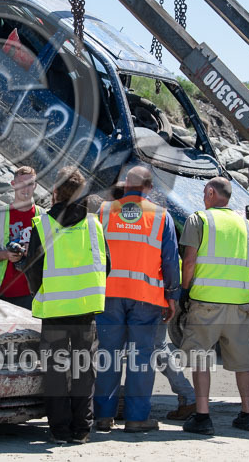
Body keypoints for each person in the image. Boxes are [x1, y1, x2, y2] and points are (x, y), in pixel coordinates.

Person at [23, 167, 110, 444]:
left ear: (56, 192)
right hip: (86, 311)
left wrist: (42, 291)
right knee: (84, 369)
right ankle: (82, 430)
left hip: (55, 311)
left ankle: (60, 430)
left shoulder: (42, 225)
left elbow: (32, 272)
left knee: (56, 372)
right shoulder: (94, 225)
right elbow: (106, 266)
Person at [93, 166, 180, 433]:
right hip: (146, 297)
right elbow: (169, 261)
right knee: (141, 358)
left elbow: (93, 251)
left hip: (109, 294)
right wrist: (172, 296)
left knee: (108, 355)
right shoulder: (161, 216)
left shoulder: (104, 211)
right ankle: (135, 418)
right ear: (149, 188)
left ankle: (103, 417)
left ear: (125, 184)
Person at [179, 176, 249, 436]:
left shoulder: (199, 219)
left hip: (206, 304)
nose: (203, 197)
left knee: (201, 359)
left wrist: (184, 288)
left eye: (204, 192)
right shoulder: (246, 225)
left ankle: (203, 417)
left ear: (211, 193)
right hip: (238, 304)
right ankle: (247, 414)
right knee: (243, 363)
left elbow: (189, 261)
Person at [0, 166, 43, 309]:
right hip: (0, 290)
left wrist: (32, 251)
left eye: (30, 184)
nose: (25, 189)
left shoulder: (43, 216)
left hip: (31, 291)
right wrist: (6, 254)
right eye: (21, 184)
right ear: (13, 185)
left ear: (35, 186)